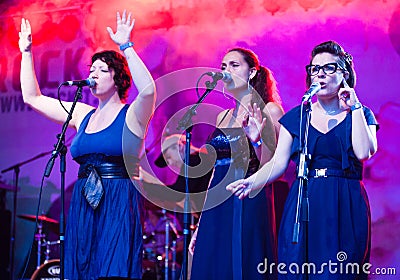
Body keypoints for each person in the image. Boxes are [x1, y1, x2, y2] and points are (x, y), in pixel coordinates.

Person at [19, 10, 156, 279]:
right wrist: (26, 52)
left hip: (118, 195)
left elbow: (150, 90)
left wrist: (126, 46)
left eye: (101, 69)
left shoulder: (132, 114)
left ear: (118, 78)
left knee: (111, 266)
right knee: (83, 266)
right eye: (91, 69)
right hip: (84, 198)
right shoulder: (82, 113)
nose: (93, 73)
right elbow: (32, 98)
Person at [227, 41, 379, 279]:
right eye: (315, 69)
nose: (320, 74)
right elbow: (278, 164)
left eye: (329, 68)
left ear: (344, 73)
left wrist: (355, 106)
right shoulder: (298, 115)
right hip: (305, 200)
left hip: (345, 200)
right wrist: (251, 181)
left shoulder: (361, 113)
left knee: (341, 271)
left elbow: (363, 152)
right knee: (299, 268)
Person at [189, 47, 284, 280]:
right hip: (217, 201)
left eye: (234, 65)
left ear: (252, 72)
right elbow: (215, 171)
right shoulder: (223, 116)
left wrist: (257, 140)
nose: (226, 71)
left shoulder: (270, 110)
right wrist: (200, 221)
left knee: (244, 262)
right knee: (212, 264)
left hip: (248, 196)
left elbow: (272, 166)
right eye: (223, 67)